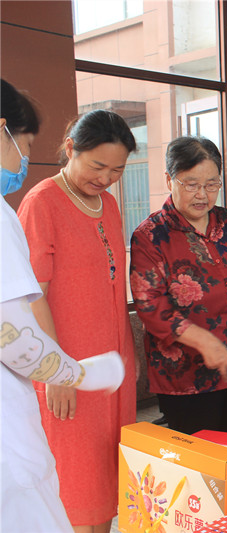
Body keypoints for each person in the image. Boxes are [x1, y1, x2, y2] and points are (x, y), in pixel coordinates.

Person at [0, 78, 123, 533]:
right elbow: (19, 320)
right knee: (64, 485)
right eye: (97, 166)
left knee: (104, 475)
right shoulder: (36, 205)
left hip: (97, 361)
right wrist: (65, 374)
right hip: (63, 364)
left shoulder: (108, 205)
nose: (105, 179)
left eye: (116, 170)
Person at [130, 136, 227, 437]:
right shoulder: (151, 236)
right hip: (189, 375)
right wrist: (203, 341)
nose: (202, 195)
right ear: (169, 180)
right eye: (191, 184)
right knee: (200, 456)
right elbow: (150, 305)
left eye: (212, 184)